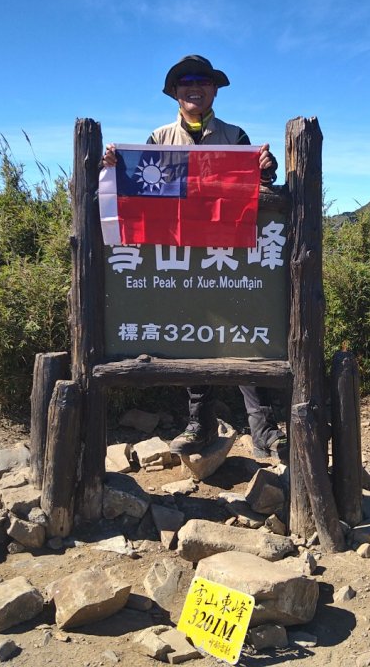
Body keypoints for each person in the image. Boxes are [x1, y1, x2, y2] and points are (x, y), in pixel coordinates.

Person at [103, 55, 287, 459]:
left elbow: (258, 192)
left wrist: (265, 170)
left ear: (215, 90)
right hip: (179, 257)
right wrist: (114, 167)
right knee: (193, 337)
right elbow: (135, 192)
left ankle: (264, 429)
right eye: (186, 80)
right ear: (174, 91)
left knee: (240, 336)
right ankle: (199, 425)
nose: (195, 86)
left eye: (203, 80)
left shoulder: (236, 136)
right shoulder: (156, 139)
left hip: (228, 255)